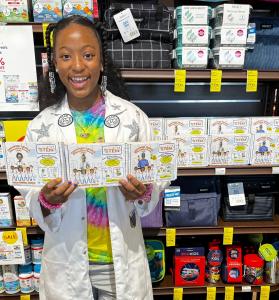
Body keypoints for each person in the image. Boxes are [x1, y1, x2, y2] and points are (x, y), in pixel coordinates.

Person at [16, 15, 167, 300]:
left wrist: (143, 191)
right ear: (54, 63)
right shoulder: (41, 127)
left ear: (101, 61)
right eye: (65, 56)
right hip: (66, 265)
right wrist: (47, 200)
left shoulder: (133, 119)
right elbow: (30, 196)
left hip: (120, 263)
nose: (77, 66)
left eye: (87, 55)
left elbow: (153, 190)